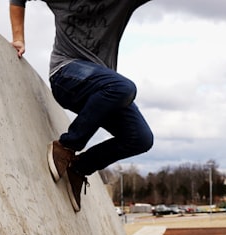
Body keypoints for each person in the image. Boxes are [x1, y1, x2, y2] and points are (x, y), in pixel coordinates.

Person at [9, 0, 154, 212]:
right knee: (124, 88)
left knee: (140, 138)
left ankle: (79, 168)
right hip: (65, 74)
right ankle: (66, 146)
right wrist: (19, 38)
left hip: (103, 90)